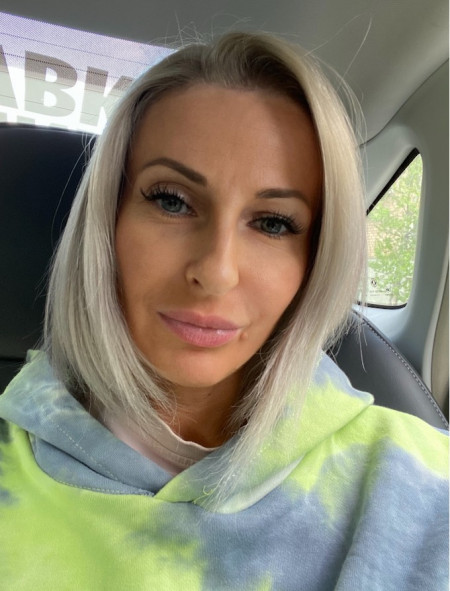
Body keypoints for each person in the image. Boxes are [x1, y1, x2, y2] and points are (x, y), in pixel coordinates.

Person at [0, 32, 447, 590]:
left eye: (273, 223)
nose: (216, 272)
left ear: (316, 258)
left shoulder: (419, 484)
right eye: (171, 200)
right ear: (106, 222)